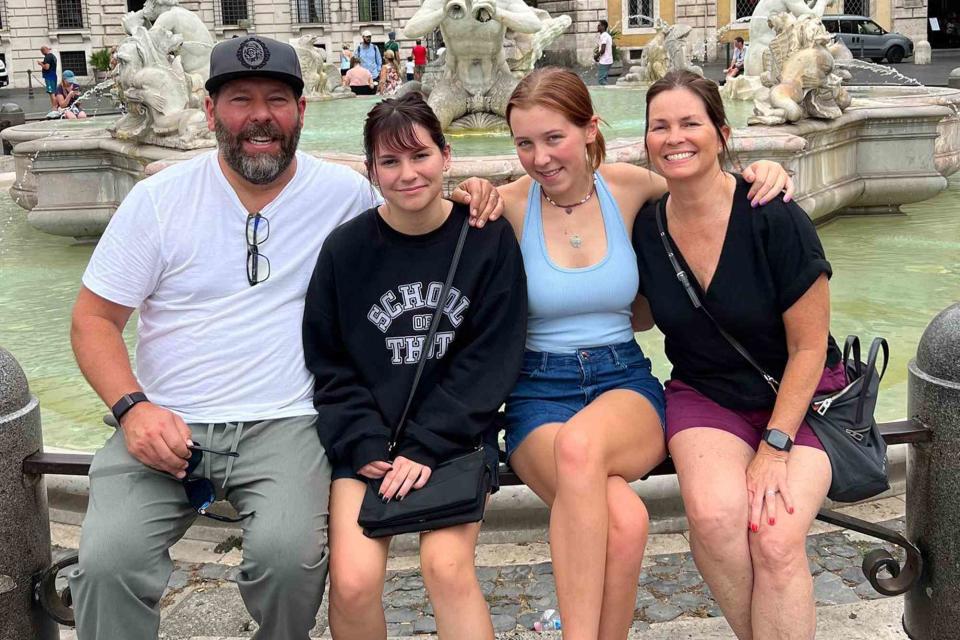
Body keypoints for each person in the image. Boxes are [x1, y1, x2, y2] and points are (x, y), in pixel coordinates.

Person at [67, 35, 501, 640]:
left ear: (302, 110)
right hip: (166, 420)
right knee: (107, 563)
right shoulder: (157, 200)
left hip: (288, 421)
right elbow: (93, 321)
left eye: (277, 99)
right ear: (210, 107)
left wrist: (475, 195)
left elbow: (416, 203)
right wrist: (132, 408)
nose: (259, 116)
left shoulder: (345, 195)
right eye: (240, 99)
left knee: (290, 559)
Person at [450, 67, 791, 640]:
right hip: (538, 394)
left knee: (584, 448)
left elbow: (707, 185)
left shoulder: (631, 187)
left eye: (554, 137)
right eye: (524, 143)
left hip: (622, 382)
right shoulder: (506, 205)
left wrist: (761, 169)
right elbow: (435, 226)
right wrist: (468, 191)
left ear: (590, 129)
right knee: (627, 520)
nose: (540, 157)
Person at [303, 92, 526, 640]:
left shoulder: (485, 236)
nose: (408, 173)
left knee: (446, 569)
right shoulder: (345, 250)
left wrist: (429, 443)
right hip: (372, 444)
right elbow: (329, 363)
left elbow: (492, 354)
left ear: (446, 157)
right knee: (353, 583)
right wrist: (364, 442)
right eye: (390, 161)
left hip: (454, 438)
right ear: (371, 170)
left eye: (420, 156)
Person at [632, 70, 844, 640]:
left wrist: (775, 447)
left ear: (721, 134)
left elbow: (807, 348)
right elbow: (637, 314)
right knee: (714, 518)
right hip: (708, 395)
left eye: (690, 123)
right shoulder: (645, 227)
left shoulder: (772, 214)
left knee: (773, 537)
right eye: (660, 126)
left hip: (802, 400)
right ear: (646, 141)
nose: (674, 137)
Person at [594, 20, 614, 86]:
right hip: (608, 60)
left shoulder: (604, 36)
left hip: (605, 61)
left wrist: (596, 56)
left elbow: (603, 50)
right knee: (604, 78)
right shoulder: (608, 35)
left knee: (601, 80)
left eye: (599, 25)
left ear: (603, 26)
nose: (597, 27)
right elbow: (612, 46)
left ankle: (609, 91)